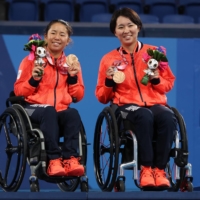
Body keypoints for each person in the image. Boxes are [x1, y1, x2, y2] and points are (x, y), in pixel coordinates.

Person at [95, 8, 177, 188]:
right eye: (121, 27)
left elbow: (168, 83)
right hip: (125, 106)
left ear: (138, 27)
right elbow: (102, 96)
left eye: (130, 25)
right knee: (143, 115)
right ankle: (146, 169)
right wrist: (109, 81)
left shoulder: (154, 53)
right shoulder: (108, 59)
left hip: (154, 102)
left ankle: (160, 170)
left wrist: (156, 78)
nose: (126, 30)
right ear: (115, 32)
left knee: (167, 117)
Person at [14, 19, 85, 177]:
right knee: (48, 111)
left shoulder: (71, 64)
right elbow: (18, 91)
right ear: (45, 37)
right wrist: (33, 79)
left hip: (58, 112)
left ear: (68, 40)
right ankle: (53, 159)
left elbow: (78, 96)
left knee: (72, 114)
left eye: (62, 34)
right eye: (53, 33)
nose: (57, 37)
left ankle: (70, 159)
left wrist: (73, 77)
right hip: (32, 110)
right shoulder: (31, 61)